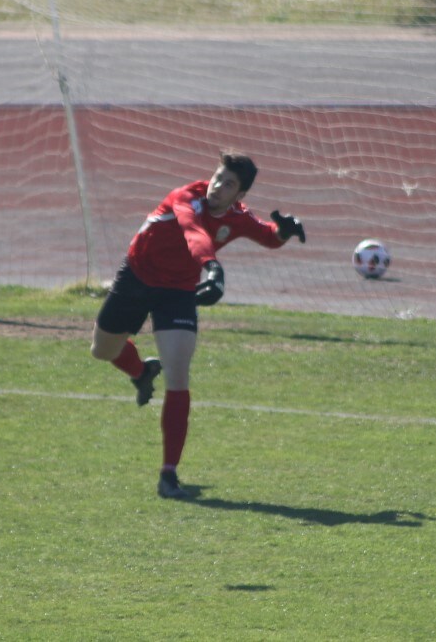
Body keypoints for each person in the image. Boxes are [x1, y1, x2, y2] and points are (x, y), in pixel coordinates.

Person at [90, 152, 306, 500]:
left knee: (178, 374)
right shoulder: (186, 197)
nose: (218, 186)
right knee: (103, 351)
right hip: (137, 276)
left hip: (177, 290)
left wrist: (284, 230)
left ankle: (169, 475)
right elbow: (194, 234)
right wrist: (213, 267)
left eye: (229, 184)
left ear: (240, 196)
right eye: (218, 177)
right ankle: (141, 372)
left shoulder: (238, 216)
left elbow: (266, 235)